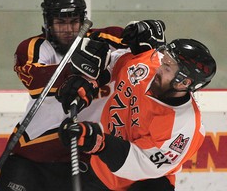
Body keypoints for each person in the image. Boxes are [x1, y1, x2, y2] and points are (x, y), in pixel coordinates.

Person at [56, 20, 217, 190]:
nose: (159, 68)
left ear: (184, 82)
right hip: (102, 170)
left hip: (146, 183)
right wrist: (89, 81)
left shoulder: (184, 128)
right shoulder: (149, 66)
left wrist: (98, 142)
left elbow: (138, 162)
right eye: (164, 61)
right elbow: (115, 63)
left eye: (167, 68)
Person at [0, 0, 124, 191]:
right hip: (33, 154)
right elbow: (36, 81)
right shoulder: (34, 47)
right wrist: (81, 68)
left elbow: (137, 45)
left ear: (83, 21)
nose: (68, 29)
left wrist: (142, 34)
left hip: (85, 155)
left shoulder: (103, 41)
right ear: (48, 23)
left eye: (73, 22)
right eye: (60, 23)